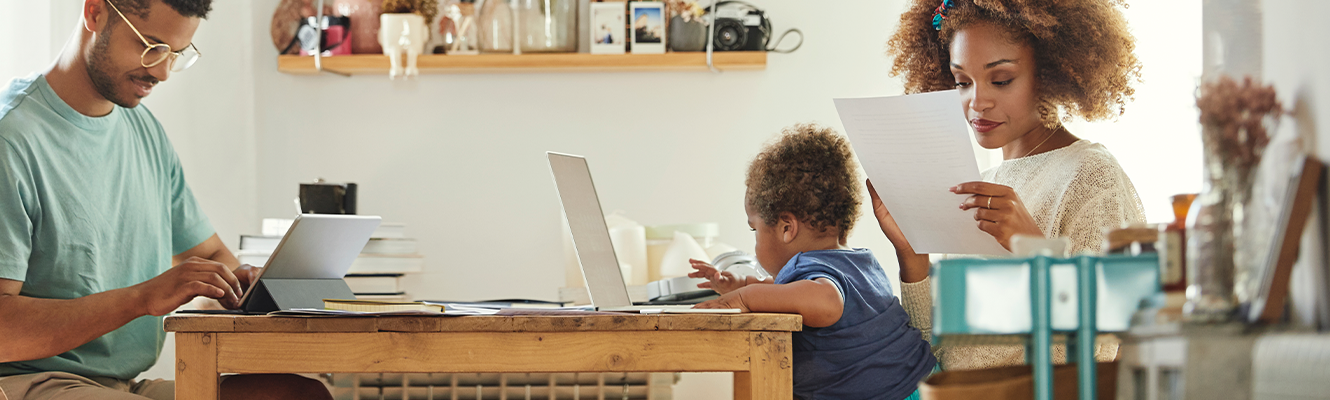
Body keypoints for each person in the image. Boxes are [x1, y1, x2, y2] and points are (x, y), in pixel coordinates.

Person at [0, 1, 331, 398]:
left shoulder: (143, 130)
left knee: (301, 395)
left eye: (176, 53)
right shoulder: (11, 140)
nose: (162, 72)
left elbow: (209, 256)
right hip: (28, 383)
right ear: (95, 13)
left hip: (122, 386)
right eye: (151, 46)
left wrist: (239, 286)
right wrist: (143, 298)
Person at [875, 0, 1146, 371]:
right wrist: (912, 256)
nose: (977, 102)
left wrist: (1035, 251)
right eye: (962, 82)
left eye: (1001, 80)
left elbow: (1101, 353)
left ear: (1048, 73)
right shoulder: (980, 186)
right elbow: (937, 356)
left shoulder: (1091, 176)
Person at [692, 124, 936, 400]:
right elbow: (790, 293)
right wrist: (739, 284)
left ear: (787, 228)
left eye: (754, 229)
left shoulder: (812, 270)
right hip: (925, 384)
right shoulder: (859, 262)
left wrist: (744, 298)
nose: (755, 241)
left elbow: (826, 302)